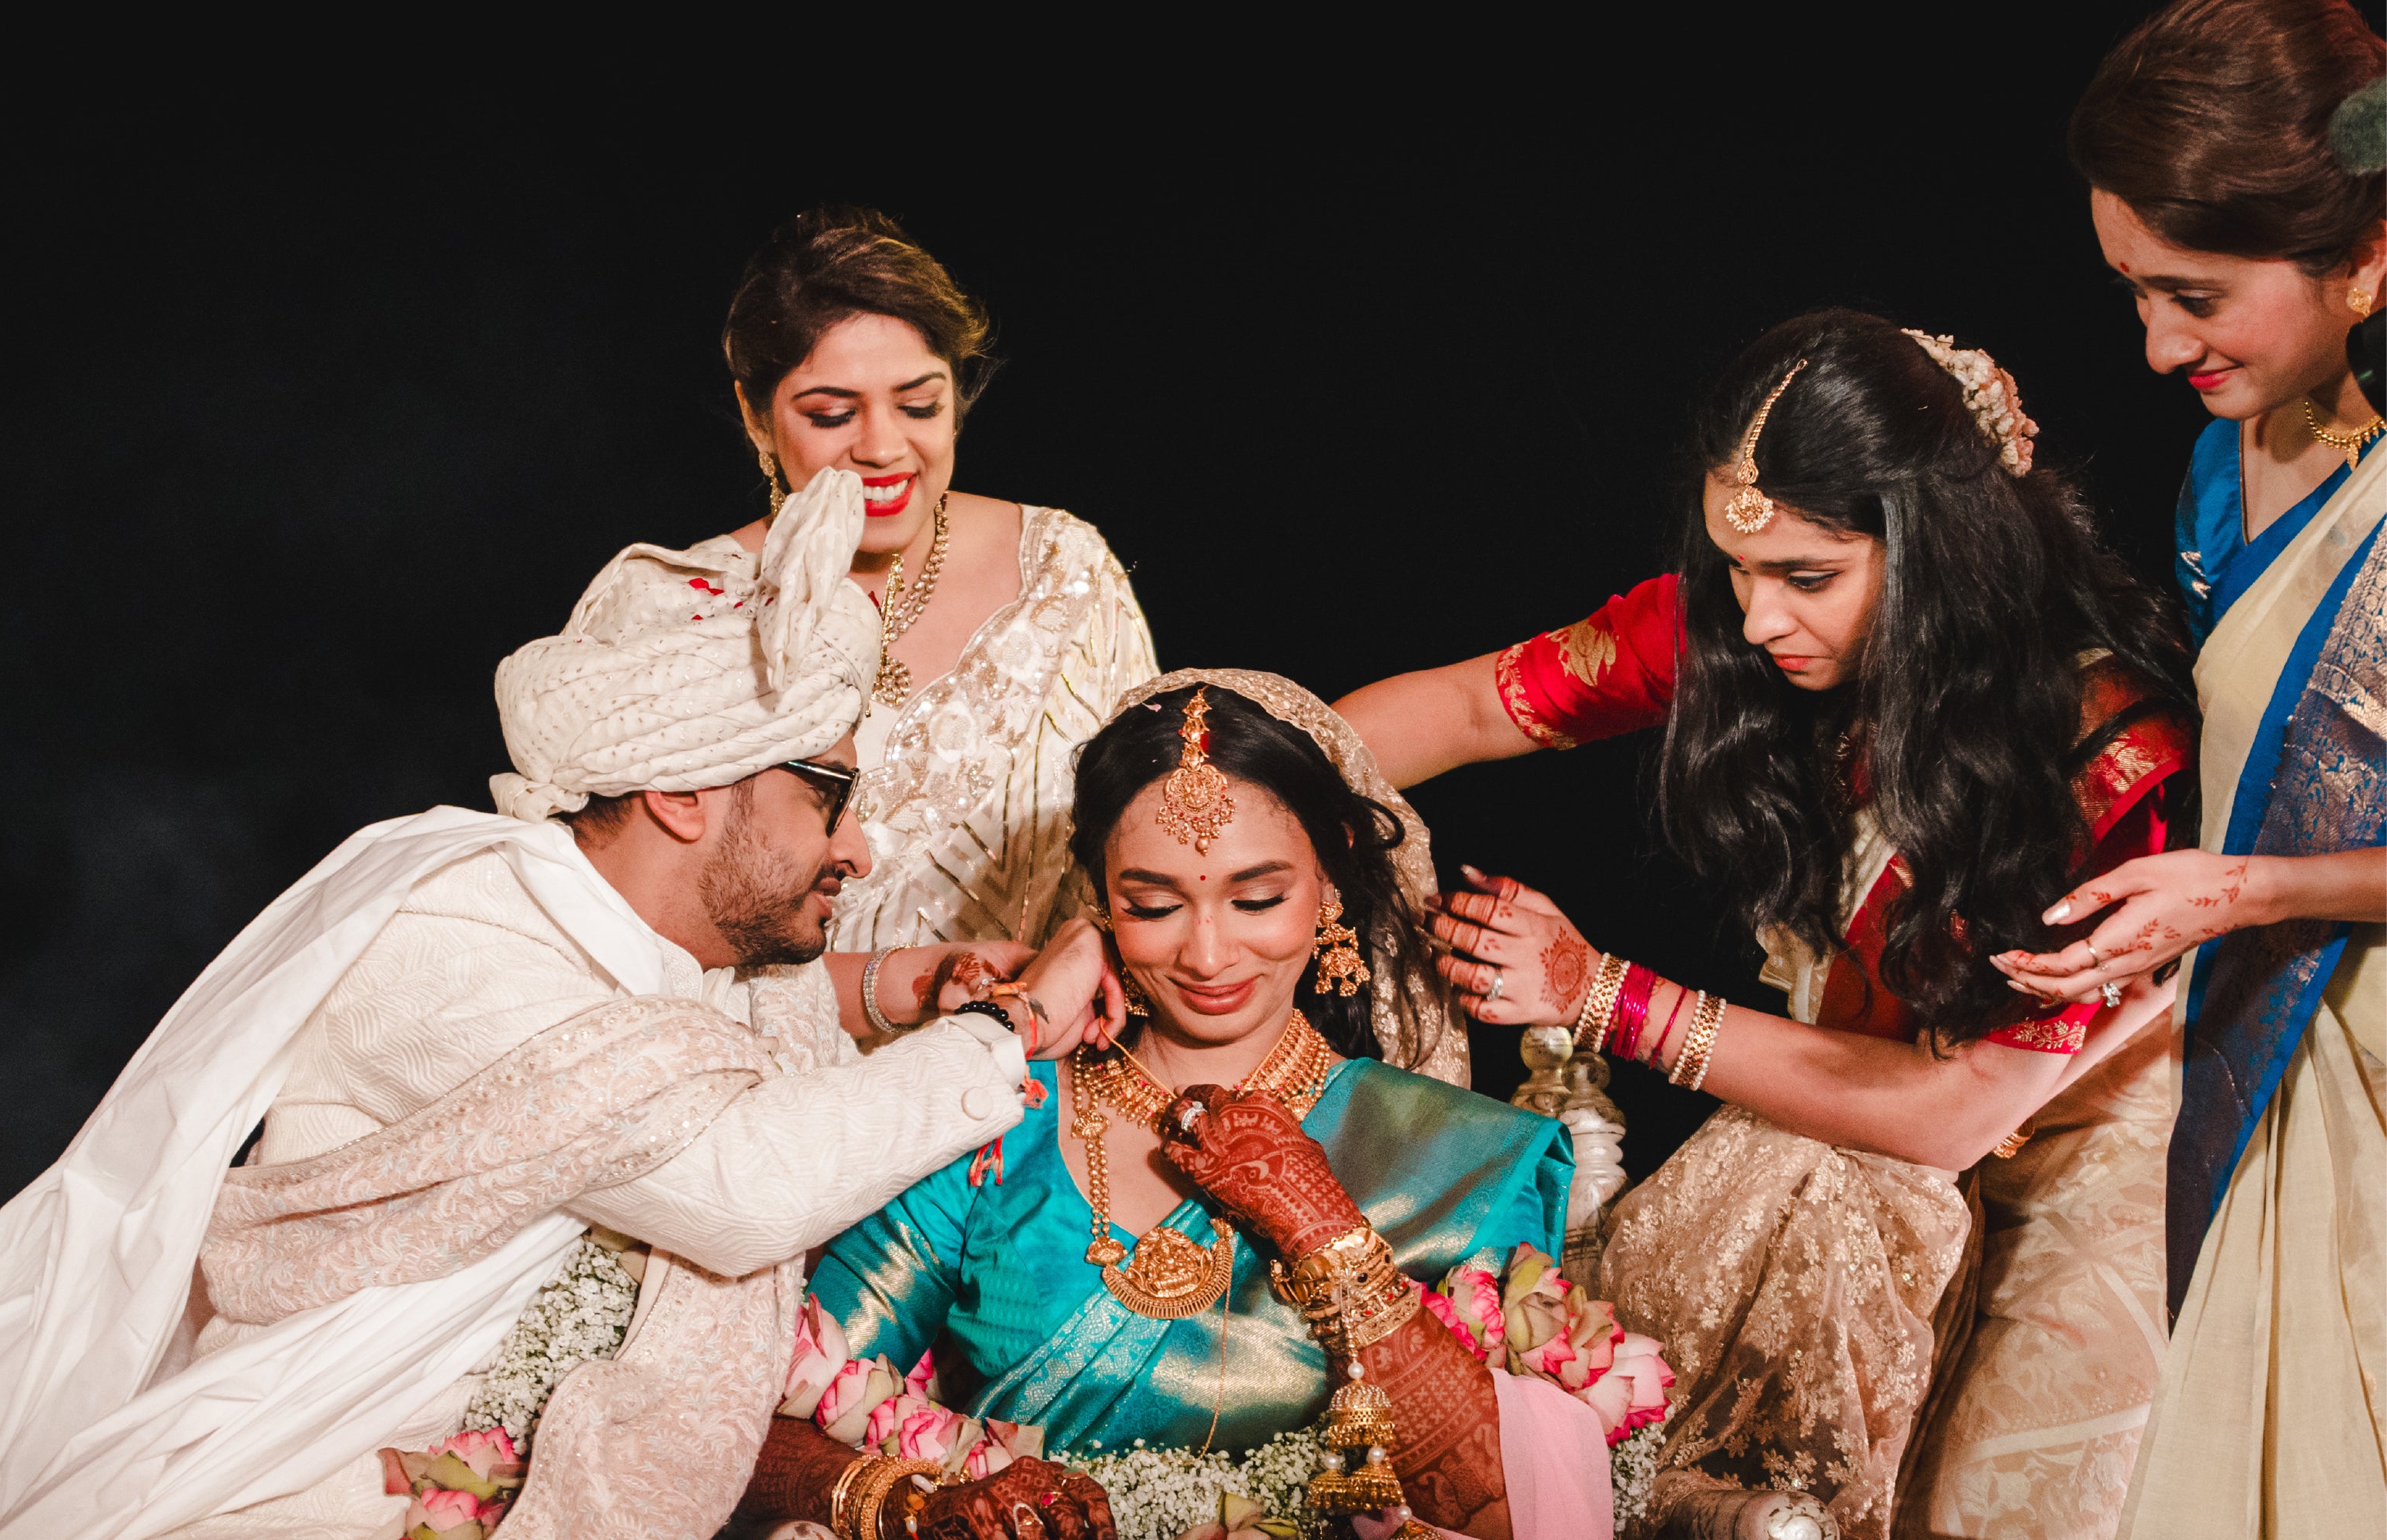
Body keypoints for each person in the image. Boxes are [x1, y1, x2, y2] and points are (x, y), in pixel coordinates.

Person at [0, 471, 1121, 1540]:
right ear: (684, 793)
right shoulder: (454, 925)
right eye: (826, 799)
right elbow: (734, 1176)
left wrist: (895, 980)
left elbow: (706, 1023)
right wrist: (1013, 1026)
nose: (861, 850)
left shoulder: (626, 950)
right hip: (296, 1489)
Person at [1336, 311, 2197, 1538]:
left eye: (1805, 576)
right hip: (1839, 1163)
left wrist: (1601, 995)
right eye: (1737, 571)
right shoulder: (1768, 637)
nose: (1756, 620)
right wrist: (1216, 800)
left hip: (2066, 1178)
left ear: (1939, 552)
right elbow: (1472, 707)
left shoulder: (2106, 759)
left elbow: (1952, 1113)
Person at [736, 673, 1620, 1540]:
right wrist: (910, 1507)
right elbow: (753, 1410)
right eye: (1154, 904)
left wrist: (1322, 1231)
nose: (1207, 952)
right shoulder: (990, 1125)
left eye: (1258, 898)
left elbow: (1523, 1507)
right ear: (1102, 897)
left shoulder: (1462, 1155)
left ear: (1333, 874)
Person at [2029, 4, 2386, 1533]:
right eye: (2134, 294)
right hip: (2269, 1049)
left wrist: (2245, 890)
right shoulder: (2229, 457)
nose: (2160, 345)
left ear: (2367, 260)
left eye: (2194, 295)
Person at [706, 207, 1163, 1046]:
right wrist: (914, 985)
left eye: (919, 403)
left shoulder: (1065, 572)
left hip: (1036, 1094)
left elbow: (1154, 838)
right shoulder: (690, 604)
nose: (884, 447)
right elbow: (646, 948)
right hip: (768, 1104)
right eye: (832, 414)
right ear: (756, 416)